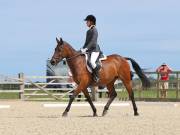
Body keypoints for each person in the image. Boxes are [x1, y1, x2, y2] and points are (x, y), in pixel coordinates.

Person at [81, 15, 102, 82]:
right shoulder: (88, 31)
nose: (86, 23)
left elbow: (93, 41)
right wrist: (82, 49)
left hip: (95, 50)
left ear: (91, 22)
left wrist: (86, 48)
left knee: (92, 62)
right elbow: (86, 42)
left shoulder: (94, 30)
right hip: (89, 50)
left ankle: (97, 76)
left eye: (87, 21)